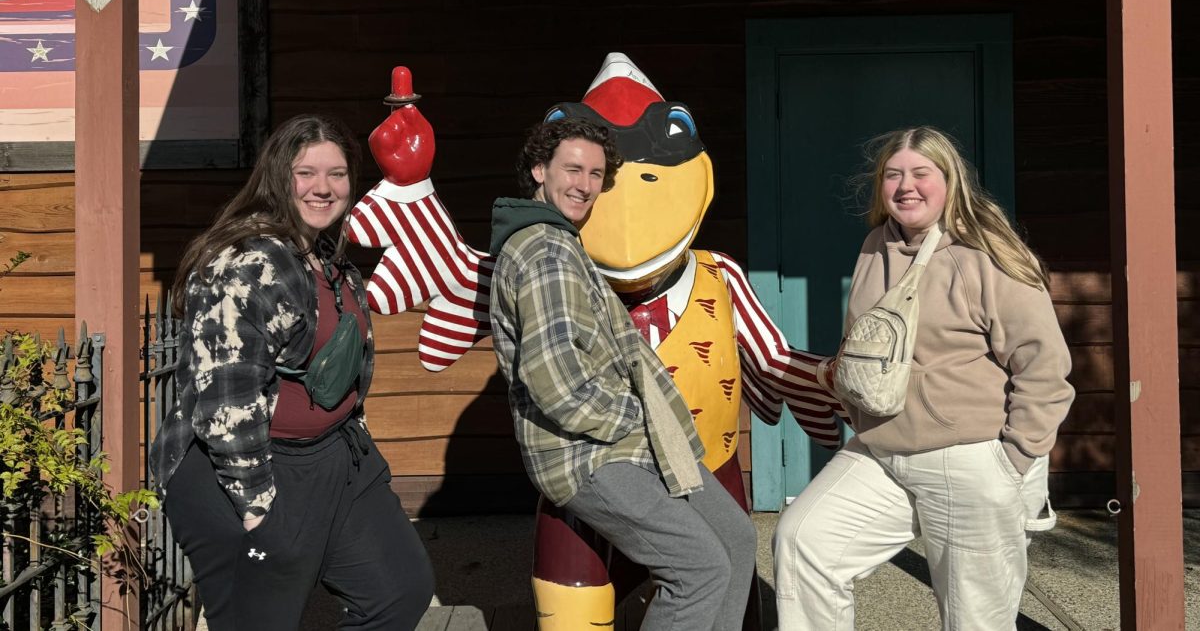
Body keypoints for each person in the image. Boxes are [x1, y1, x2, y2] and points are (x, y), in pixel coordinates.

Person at [773, 126, 1075, 631]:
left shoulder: (987, 254)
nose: (905, 186)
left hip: (967, 458)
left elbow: (1044, 366)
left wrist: (1014, 458)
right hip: (882, 449)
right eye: (893, 175)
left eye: (920, 173)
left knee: (974, 618)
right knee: (804, 541)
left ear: (949, 180)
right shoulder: (875, 245)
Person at [149, 114, 434, 631]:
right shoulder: (246, 261)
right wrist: (257, 508)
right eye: (306, 173)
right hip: (251, 472)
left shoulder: (324, 255)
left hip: (334, 456)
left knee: (397, 589)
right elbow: (225, 399)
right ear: (279, 176)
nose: (323, 188)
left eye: (338, 174)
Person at [488, 116, 758, 631]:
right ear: (539, 170)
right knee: (698, 568)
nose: (585, 184)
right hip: (592, 455)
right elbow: (559, 387)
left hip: (637, 442)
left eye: (595, 174)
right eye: (572, 169)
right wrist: (637, 417)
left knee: (737, 539)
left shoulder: (564, 242)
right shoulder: (545, 251)